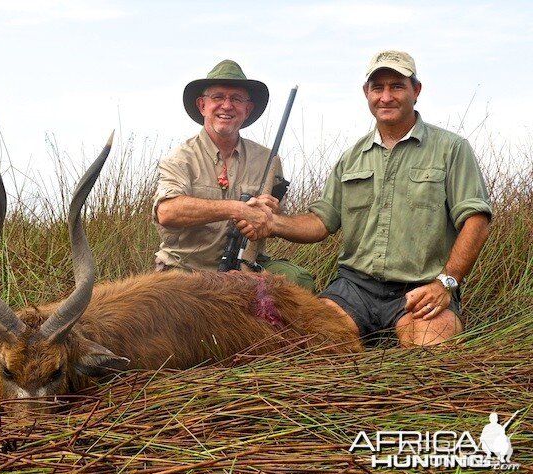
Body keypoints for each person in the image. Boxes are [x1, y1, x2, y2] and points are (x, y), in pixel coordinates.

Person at [244, 50, 492, 347]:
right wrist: (272, 222)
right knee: (312, 346)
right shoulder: (350, 158)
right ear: (367, 93)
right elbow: (321, 222)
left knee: (430, 356)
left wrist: (446, 283)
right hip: (354, 289)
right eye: (378, 88)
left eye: (397, 86)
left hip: (421, 289)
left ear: (416, 90)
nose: (386, 97)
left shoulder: (452, 149)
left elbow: (477, 220)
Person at [153, 59, 315, 290]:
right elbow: (167, 212)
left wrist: (271, 216)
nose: (227, 106)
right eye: (218, 97)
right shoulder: (180, 158)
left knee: (299, 281)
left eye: (236, 99)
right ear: (202, 106)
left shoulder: (269, 160)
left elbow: (276, 216)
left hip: (246, 265)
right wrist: (239, 209)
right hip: (187, 269)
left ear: (247, 109)